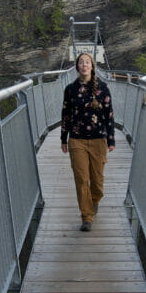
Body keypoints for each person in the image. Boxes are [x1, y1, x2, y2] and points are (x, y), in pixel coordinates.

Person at [61, 52, 115, 231]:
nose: (84, 65)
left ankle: (95, 200)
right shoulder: (70, 89)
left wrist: (111, 139)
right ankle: (87, 217)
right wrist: (63, 138)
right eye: (81, 62)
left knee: (97, 182)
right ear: (77, 67)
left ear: (92, 66)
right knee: (82, 179)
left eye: (87, 62)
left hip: (98, 140)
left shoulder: (103, 88)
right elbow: (66, 114)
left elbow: (109, 115)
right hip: (77, 140)